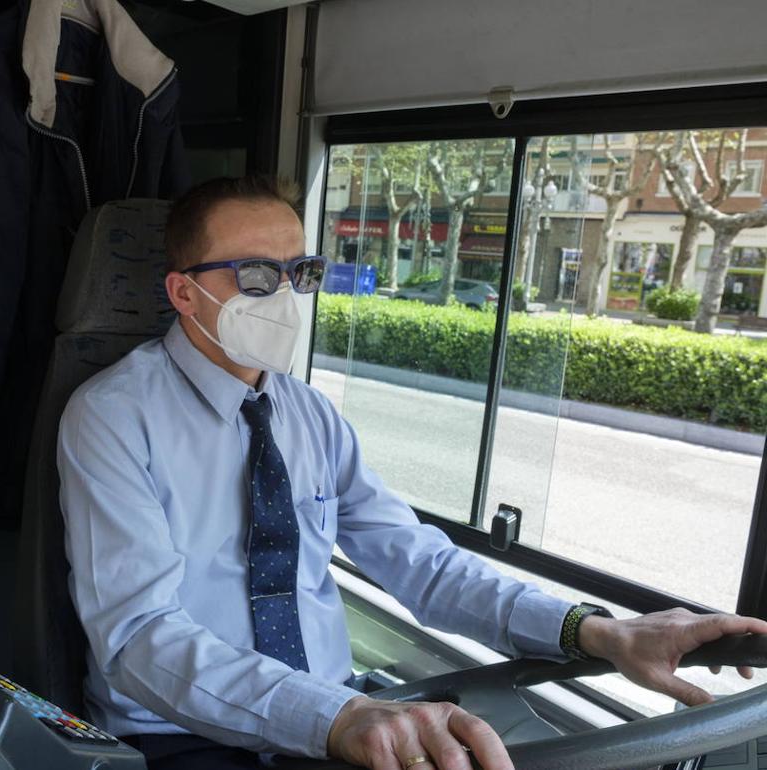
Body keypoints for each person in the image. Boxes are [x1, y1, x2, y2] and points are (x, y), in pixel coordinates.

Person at [55, 176, 767, 770]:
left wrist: (595, 630)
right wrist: (338, 716)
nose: (285, 297)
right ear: (184, 294)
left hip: (341, 710)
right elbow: (139, 637)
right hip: (186, 737)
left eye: (300, 273)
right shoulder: (114, 416)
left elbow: (422, 565)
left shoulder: (308, 415)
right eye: (255, 276)